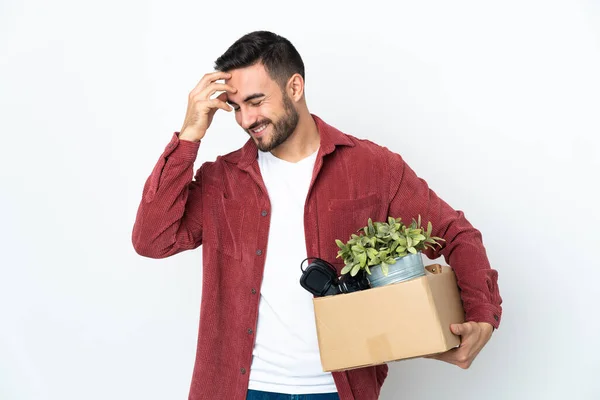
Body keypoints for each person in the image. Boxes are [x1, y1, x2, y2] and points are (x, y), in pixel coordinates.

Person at [132, 31, 502, 400]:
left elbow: (455, 233)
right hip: (240, 390)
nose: (246, 119)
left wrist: (481, 313)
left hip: (337, 390)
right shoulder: (221, 180)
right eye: (237, 107)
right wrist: (190, 135)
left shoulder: (372, 167)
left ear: (295, 87)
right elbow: (152, 239)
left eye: (256, 101)